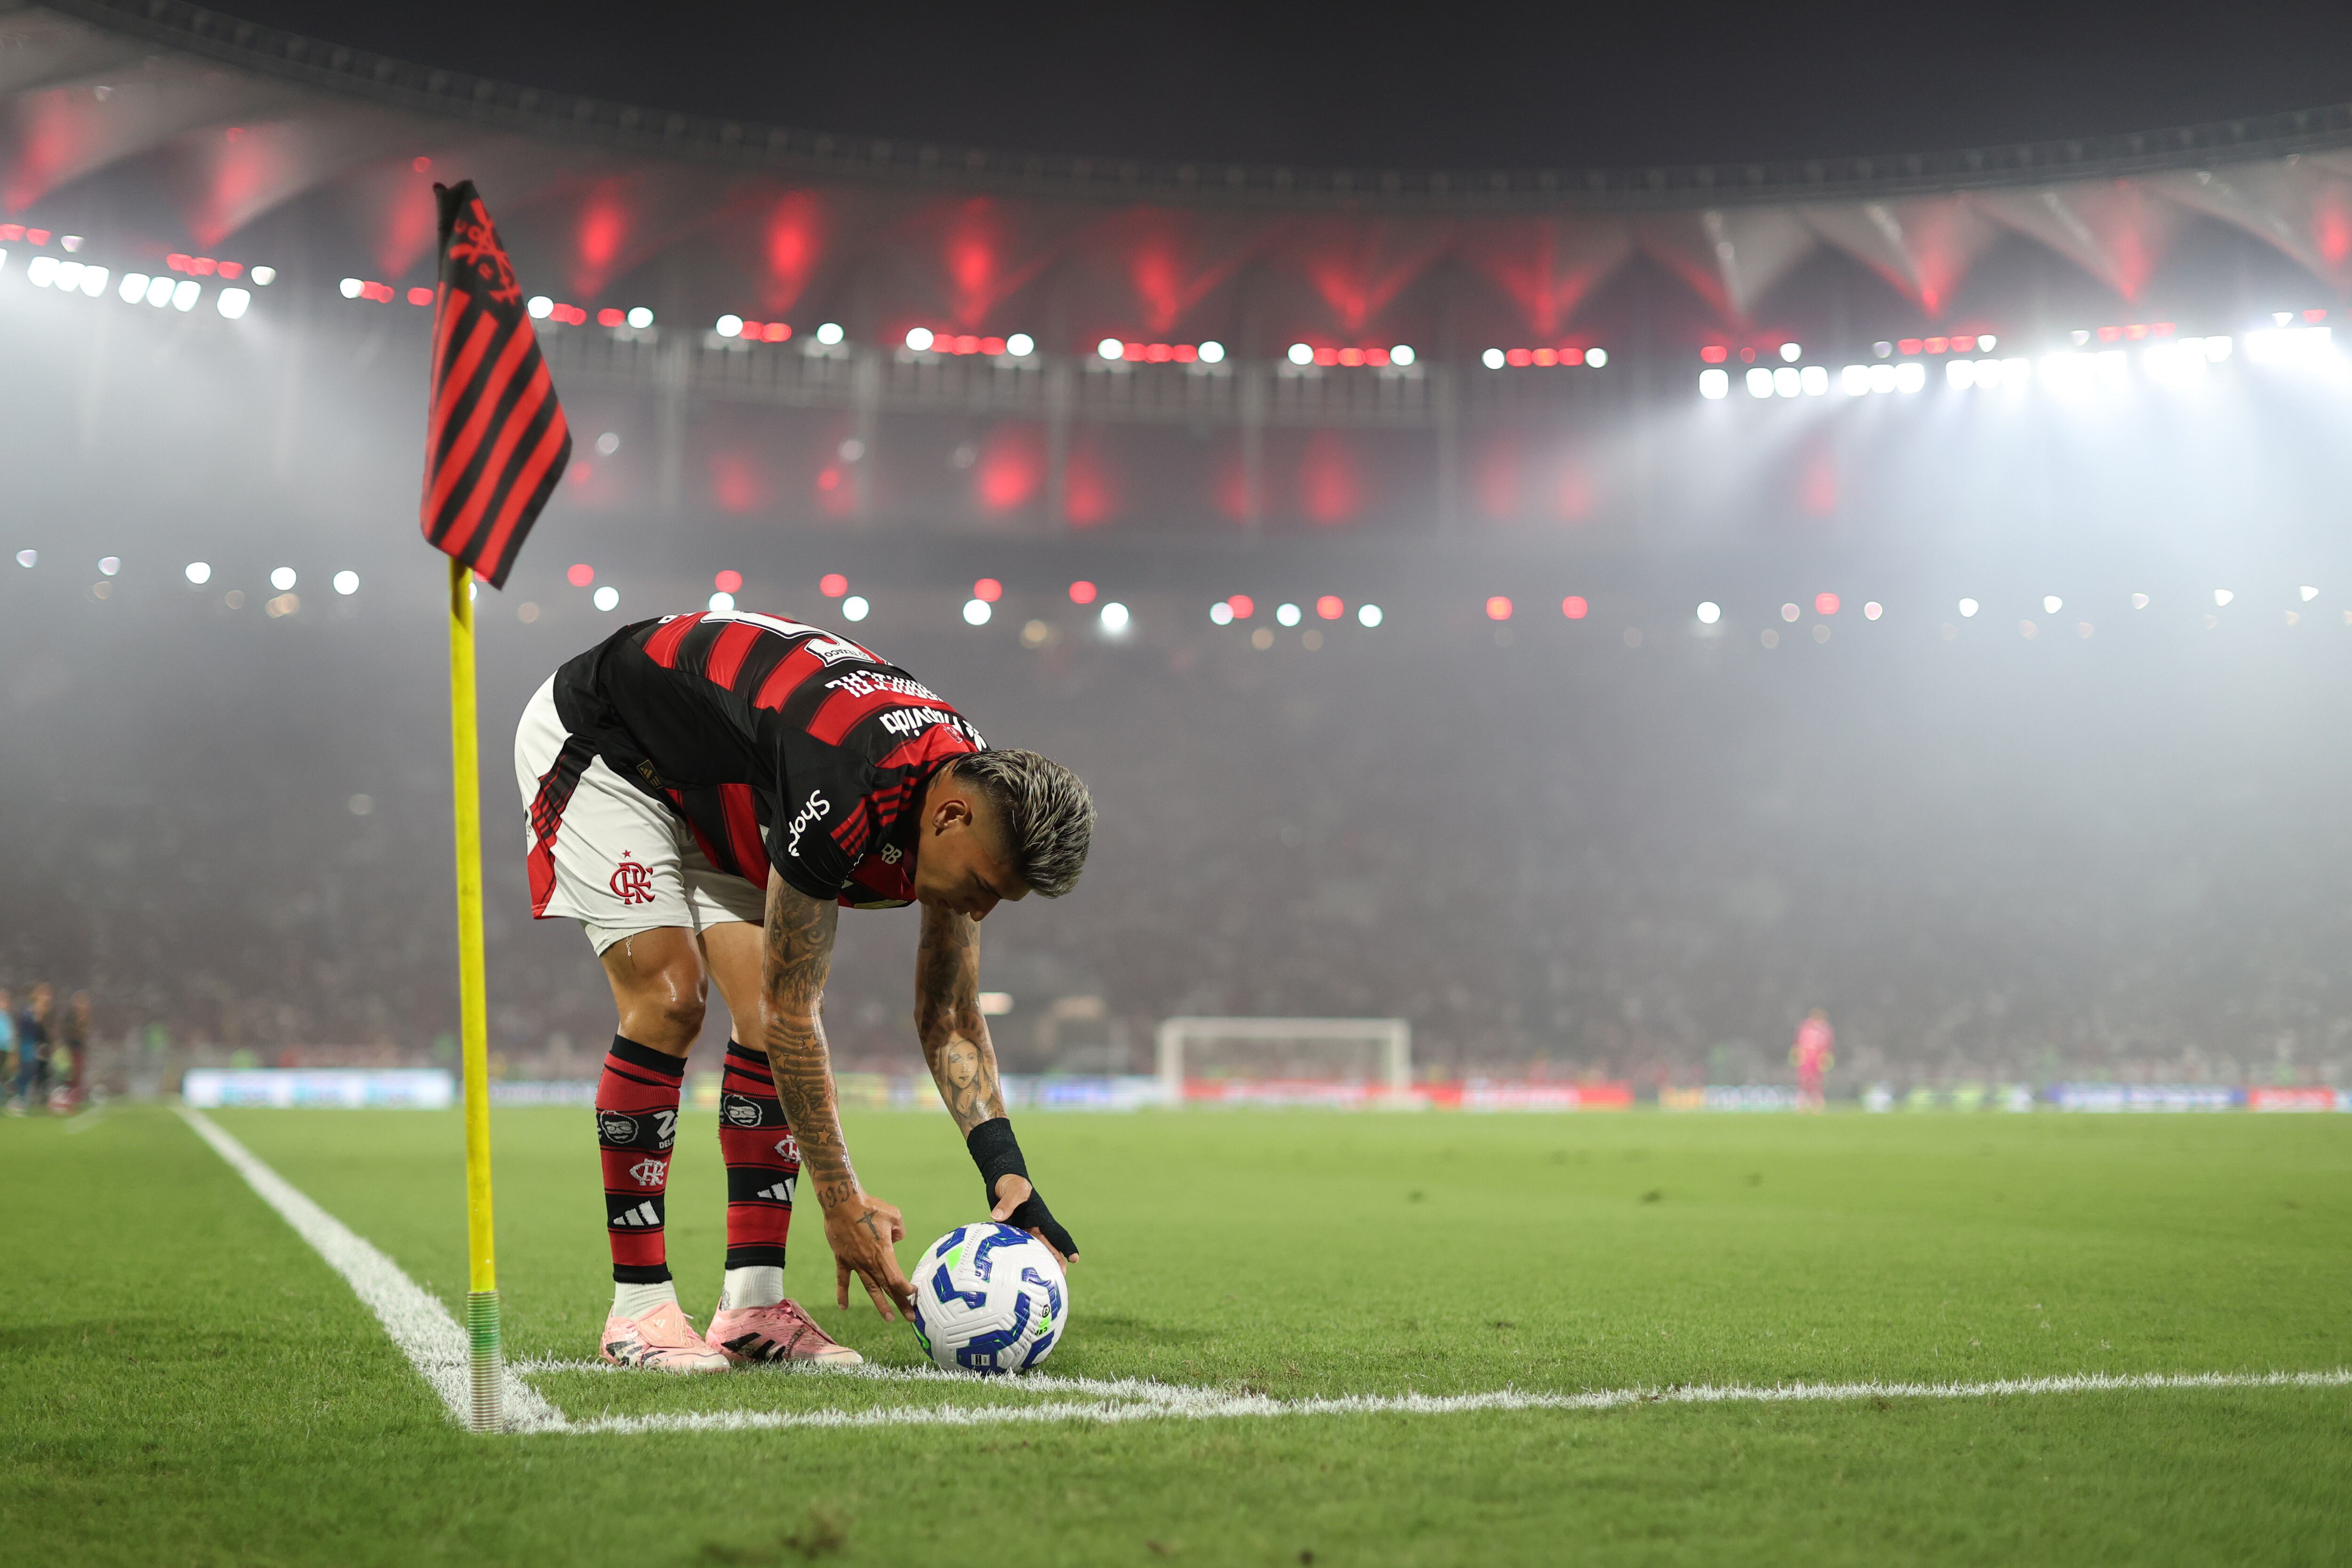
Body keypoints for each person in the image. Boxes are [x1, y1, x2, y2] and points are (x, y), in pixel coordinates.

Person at [515, 606, 1093, 1372]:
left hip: (723, 781)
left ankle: (752, 1309)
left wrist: (1008, 1174)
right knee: (672, 998)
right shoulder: (850, 782)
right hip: (611, 741)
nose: (979, 910)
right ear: (950, 816)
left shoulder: (976, 792)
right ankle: (638, 1309)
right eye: (983, 886)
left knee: (755, 1011)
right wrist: (842, 1201)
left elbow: (949, 1015)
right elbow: (800, 1017)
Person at [11, 983, 51, 1114]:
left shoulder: (42, 1013)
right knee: (26, 1071)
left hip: (34, 1046)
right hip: (26, 1045)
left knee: (31, 1071)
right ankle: (16, 1095)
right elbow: (24, 1026)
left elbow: (41, 1030)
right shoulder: (27, 1012)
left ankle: (22, 1098)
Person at [1791, 1007, 1835, 1112]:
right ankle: (1802, 1103)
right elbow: (1798, 1044)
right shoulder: (1805, 1027)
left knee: (1817, 1082)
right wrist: (1797, 1056)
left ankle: (1817, 1104)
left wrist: (1826, 1059)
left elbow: (1828, 1047)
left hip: (1818, 1060)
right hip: (1806, 1059)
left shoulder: (1825, 1029)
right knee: (1804, 1081)